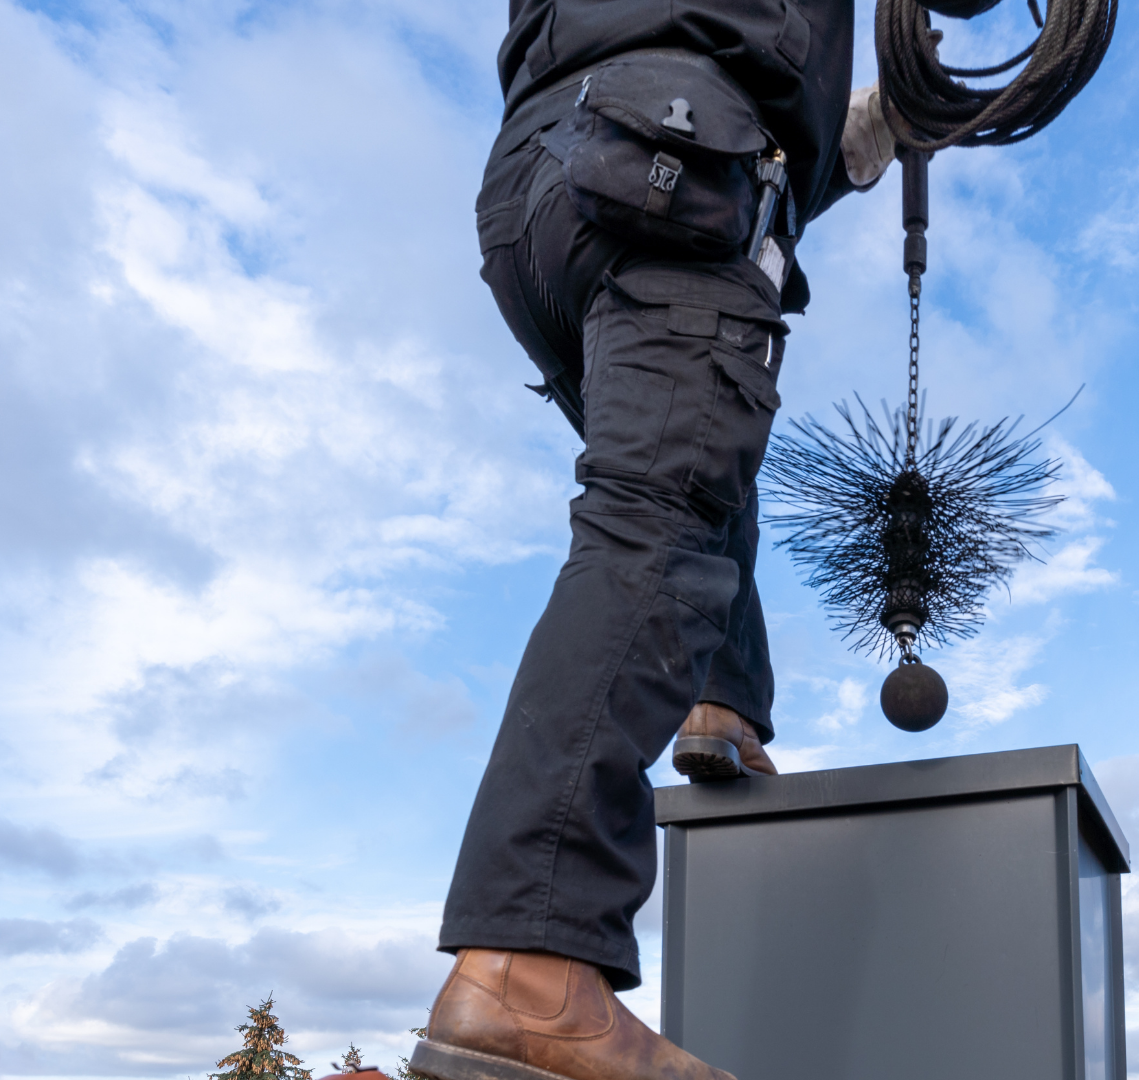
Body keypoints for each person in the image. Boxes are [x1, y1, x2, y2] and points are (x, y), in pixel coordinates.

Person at [410, 4, 898, 1080]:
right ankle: (527, 968)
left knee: (694, 462)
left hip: (542, 189)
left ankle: (723, 701)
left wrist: (860, 131)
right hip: (674, 154)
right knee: (657, 518)